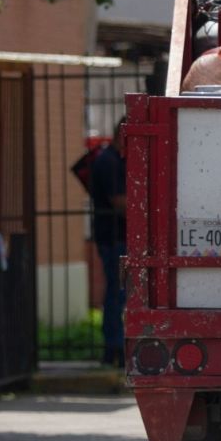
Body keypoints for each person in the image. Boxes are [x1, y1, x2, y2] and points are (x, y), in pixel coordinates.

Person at [91, 118, 127, 366]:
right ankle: (113, 347)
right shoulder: (109, 161)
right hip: (113, 237)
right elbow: (118, 200)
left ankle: (115, 346)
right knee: (116, 292)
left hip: (116, 236)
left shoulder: (115, 160)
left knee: (119, 292)